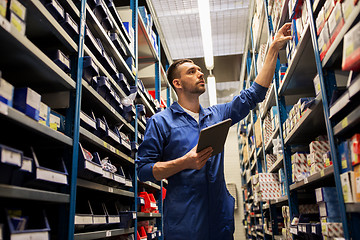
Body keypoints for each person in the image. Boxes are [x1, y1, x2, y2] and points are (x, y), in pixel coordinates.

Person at [136, 23, 292, 240]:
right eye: (192, 72)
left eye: (200, 70)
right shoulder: (160, 122)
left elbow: (254, 94)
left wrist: (273, 49)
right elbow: (143, 170)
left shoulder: (217, 115)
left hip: (219, 222)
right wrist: (184, 162)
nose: (200, 74)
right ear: (177, 83)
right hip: (185, 226)